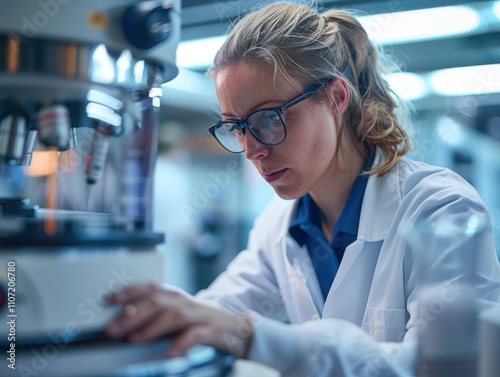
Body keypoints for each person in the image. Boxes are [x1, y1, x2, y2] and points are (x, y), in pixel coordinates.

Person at [105, 2, 500, 376]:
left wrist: (255, 337)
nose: (253, 150)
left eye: (270, 118)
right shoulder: (280, 226)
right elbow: (215, 311)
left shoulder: (440, 207)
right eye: (237, 127)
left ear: (336, 97)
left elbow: (445, 365)